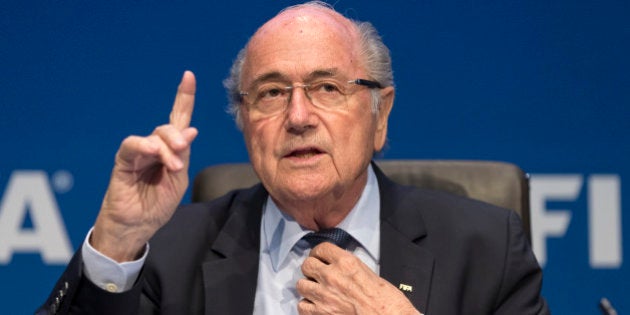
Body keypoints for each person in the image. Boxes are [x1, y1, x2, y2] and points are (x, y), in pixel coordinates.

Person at [38, 2, 550, 314]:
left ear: (380, 115)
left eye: (327, 87)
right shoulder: (169, 252)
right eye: (271, 93)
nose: (298, 116)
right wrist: (117, 240)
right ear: (244, 123)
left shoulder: (486, 251)